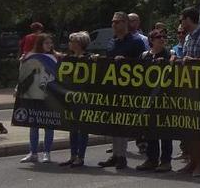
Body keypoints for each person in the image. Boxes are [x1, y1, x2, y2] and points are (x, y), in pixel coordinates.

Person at [97, 12, 146, 170]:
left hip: (128, 88)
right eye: (112, 22)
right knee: (114, 123)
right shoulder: (111, 42)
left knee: (123, 122)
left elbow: (142, 64)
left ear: (125, 23)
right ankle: (115, 155)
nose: (114, 25)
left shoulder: (136, 42)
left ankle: (122, 156)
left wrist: (126, 62)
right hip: (113, 87)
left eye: (117, 22)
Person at [176, 6, 200, 177]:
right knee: (189, 125)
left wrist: (194, 61)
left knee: (198, 125)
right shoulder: (187, 38)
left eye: (182, 19)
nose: (181, 23)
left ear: (188, 19)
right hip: (187, 87)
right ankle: (193, 161)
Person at [131, 30, 174, 172]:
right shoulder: (145, 55)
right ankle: (152, 159)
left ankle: (166, 161)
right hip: (148, 98)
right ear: (151, 40)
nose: (162, 39)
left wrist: (169, 61)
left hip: (164, 98)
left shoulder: (169, 54)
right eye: (158, 37)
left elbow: (175, 69)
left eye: (164, 37)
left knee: (165, 131)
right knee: (150, 130)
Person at [18, 33, 58, 163]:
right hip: (34, 94)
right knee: (33, 124)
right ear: (40, 44)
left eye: (50, 43)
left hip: (49, 95)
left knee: (48, 124)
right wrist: (23, 62)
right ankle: (33, 153)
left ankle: (47, 153)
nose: (49, 45)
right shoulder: (31, 56)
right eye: (46, 43)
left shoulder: (55, 57)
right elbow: (25, 75)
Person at [60, 32, 91, 167]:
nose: (69, 44)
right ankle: (73, 155)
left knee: (82, 128)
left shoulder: (88, 58)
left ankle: (81, 156)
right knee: (72, 128)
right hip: (71, 97)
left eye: (72, 41)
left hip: (84, 97)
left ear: (79, 44)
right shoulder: (68, 58)